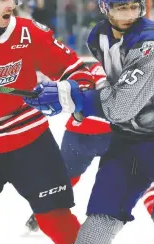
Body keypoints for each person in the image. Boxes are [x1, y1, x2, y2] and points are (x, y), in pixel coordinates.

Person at [24, 0, 154, 243]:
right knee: (97, 224)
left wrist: (70, 97)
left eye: (134, 5)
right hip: (127, 142)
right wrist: (71, 92)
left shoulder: (150, 42)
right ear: (104, 7)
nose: (130, 13)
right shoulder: (98, 37)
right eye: (122, 7)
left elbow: (120, 106)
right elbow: (111, 90)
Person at [0, 0, 90, 243]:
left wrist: (65, 90)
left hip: (31, 143)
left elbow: (78, 73)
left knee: (58, 222)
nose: (11, 4)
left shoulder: (29, 34)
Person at [23, 63, 112, 234]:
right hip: (109, 135)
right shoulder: (129, 69)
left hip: (78, 133)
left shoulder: (93, 69)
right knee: (131, 175)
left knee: (65, 179)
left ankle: (42, 213)